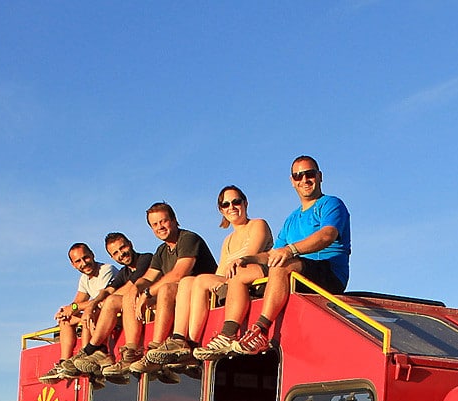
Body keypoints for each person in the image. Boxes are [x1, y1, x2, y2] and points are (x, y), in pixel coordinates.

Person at [194, 156, 350, 359]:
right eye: (298, 175)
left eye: (309, 174)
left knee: (281, 265)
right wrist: (247, 260)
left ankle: (260, 330)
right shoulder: (292, 218)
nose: (304, 179)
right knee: (240, 274)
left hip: (328, 273)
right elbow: (272, 254)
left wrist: (291, 250)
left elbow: (327, 235)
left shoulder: (331, 204)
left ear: (319, 176)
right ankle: (228, 335)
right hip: (298, 268)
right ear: (292, 181)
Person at [150, 186, 272, 366]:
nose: (232, 207)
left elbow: (249, 257)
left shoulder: (258, 224)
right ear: (221, 210)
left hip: (253, 283)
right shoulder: (228, 240)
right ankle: (183, 341)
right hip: (231, 284)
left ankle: (192, 342)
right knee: (189, 281)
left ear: (245, 203)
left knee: (199, 280)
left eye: (236, 202)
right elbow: (220, 273)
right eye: (226, 204)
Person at [117, 203, 217, 375]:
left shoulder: (188, 238)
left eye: (163, 221)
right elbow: (149, 277)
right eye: (155, 224)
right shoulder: (162, 250)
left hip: (202, 295)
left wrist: (147, 293)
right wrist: (136, 290)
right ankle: (131, 351)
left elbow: (179, 274)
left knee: (165, 289)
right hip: (180, 299)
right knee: (129, 296)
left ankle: (156, 349)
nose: (160, 227)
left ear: (174, 221)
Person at [72, 233, 153, 377]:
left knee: (112, 300)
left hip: (151, 305)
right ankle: (91, 353)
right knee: (104, 303)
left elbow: (131, 286)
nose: (121, 254)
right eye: (116, 253)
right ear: (112, 257)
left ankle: (94, 350)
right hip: (134, 310)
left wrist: (100, 302)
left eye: (123, 248)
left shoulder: (146, 259)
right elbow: (108, 290)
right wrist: (93, 305)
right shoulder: (123, 272)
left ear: (130, 243)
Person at [42, 243, 117, 381]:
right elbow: (77, 303)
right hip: (97, 315)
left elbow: (101, 300)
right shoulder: (84, 279)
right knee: (66, 320)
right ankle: (64, 363)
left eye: (86, 258)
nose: (84, 263)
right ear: (73, 265)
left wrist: (74, 308)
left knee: (89, 314)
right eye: (78, 261)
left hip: (113, 316)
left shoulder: (107, 270)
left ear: (92, 255)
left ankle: (88, 354)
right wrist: (65, 311)